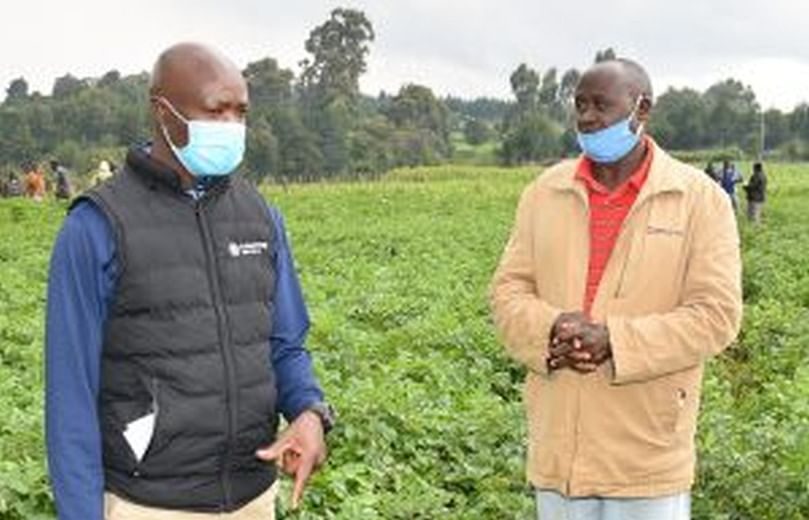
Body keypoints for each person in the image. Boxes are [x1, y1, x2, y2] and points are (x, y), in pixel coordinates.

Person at [45, 42, 334, 520]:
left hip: (253, 498)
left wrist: (309, 411)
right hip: (148, 504)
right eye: (215, 111)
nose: (231, 127)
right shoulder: (98, 226)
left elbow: (284, 345)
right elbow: (70, 394)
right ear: (164, 112)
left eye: (240, 112)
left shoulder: (260, 217)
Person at [490, 58, 742, 520]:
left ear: (641, 108)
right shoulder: (544, 193)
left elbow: (716, 315)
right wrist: (550, 329)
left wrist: (617, 341)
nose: (586, 117)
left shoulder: (699, 200)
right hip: (560, 449)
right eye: (580, 105)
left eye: (601, 105)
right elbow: (508, 291)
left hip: (646, 452)